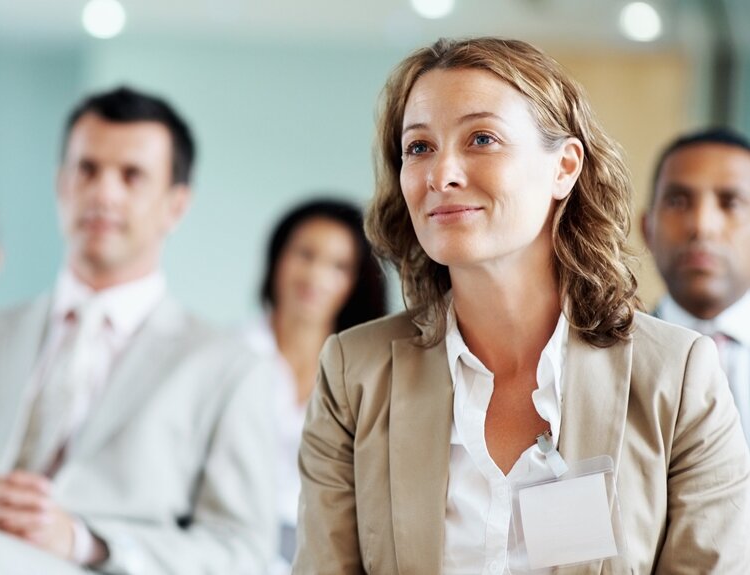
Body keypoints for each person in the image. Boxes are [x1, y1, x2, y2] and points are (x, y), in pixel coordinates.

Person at [293, 37, 750, 573]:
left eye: (481, 138)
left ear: (565, 167)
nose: (442, 175)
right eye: (419, 147)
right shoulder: (355, 373)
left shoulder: (677, 375)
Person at [0, 86, 274, 574]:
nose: (104, 193)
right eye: (87, 170)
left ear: (176, 205)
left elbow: (242, 554)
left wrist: (88, 542)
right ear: (62, 185)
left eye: (132, 176)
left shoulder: (229, 369)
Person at [243, 197, 386, 571]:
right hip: (231, 539)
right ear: (278, 257)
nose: (316, 276)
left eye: (339, 266)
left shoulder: (368, 375)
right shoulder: (228, 357)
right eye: (305, 254)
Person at [642, 128, 750, 444]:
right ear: (647, 229)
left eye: (730, 203)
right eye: (678, 201)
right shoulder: (605, 362)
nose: (702, 226)